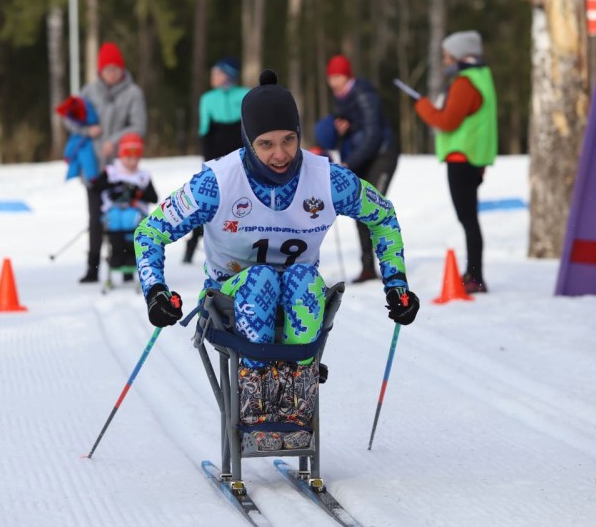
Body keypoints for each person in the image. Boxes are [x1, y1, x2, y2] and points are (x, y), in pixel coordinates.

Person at [134, 70, 419, 451]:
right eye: (266, 144)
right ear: (248, 143)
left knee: (301, 278)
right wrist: (155, 291)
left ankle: (296, 404)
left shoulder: (327, 178)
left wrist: (397, 284)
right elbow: (150, 231)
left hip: (297, 299)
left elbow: (382, 215)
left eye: (289, 140)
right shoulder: (216, 182)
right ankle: (255, 406)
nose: (280, 154)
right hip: (228, 302)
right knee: (263, 278)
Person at [413, 30, 497, 294]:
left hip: (462, 159)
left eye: (447, 56)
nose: (445, 61)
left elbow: (447, 122)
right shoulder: (483, 78)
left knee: (468, 219)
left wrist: (423, 107)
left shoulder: (464, 83)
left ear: (459, 56)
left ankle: (474, 276)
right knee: (470, 218)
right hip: (475, 158)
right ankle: (474, 273)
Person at [64, 42, 147, 284]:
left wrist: (114, 140)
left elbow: (139, 126)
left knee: (125, 216)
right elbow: (69, 119)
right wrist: (87, 129)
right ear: (100, 71)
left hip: (124, 169)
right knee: (94, 219)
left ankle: (127, 264)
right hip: (94, 168)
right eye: (107, 69)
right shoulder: (88, 92)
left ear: (122, 69)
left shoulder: (134, 93)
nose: (111, 74)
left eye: (116, 69)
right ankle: (92, 267)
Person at [325, 54, 400, 283]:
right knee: (359, 210)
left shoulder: (364, 94)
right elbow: (353, 132)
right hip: (361, 159)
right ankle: (368, 267)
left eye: (337, 76)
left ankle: (392, 266)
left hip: (382, 155)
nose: (333, 82)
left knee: (375, 209)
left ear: (348, 76)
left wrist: (349, 163)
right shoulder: (342, 99)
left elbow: (372, 134)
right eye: (330, 77)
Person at [183, 57, 250, 264]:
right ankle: (191, 247)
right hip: (216, 157)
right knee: (208, 201)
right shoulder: (207, 99)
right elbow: (205, 132)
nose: (213, 77)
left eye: (217, 73)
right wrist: (209, 164)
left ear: (228, 75)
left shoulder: (245, 95)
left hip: (241, 157)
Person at [94, 133, 157, 283]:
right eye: (129, 158)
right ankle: (116, 254)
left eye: (136, 158)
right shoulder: (112, 171)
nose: (132, 162)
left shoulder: (143, 176)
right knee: (115, 218)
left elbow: (153, 197)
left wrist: (137, 192)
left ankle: (130, 255)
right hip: (113, 210)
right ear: (121, 156)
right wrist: (116, 186)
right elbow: (96, 187)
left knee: (130, 218)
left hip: (135, 211)